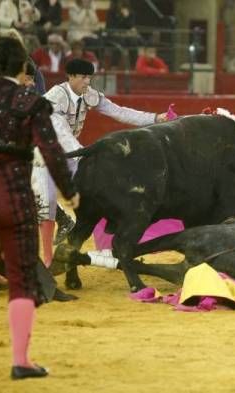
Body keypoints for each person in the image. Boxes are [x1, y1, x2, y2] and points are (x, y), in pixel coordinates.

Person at [0, 37, 79, 379]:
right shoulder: (29, 100)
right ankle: (20, 361)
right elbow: (50, 151)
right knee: (20, 280)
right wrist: (70, 192)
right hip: (11, 196)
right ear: (23, 68)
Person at [33, 58, 168, 278]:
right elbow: (60, 131)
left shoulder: (89, 95)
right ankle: (48, 259)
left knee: (94, 190)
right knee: (46, 204)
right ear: (72, 77)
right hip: (43, 153)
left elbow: (119, 111)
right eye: (84, 77)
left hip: (70, 154)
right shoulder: (54, 98)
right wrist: (80, 153)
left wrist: (154, 118)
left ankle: (95, 224)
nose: (87, 82)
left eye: (89, 77)